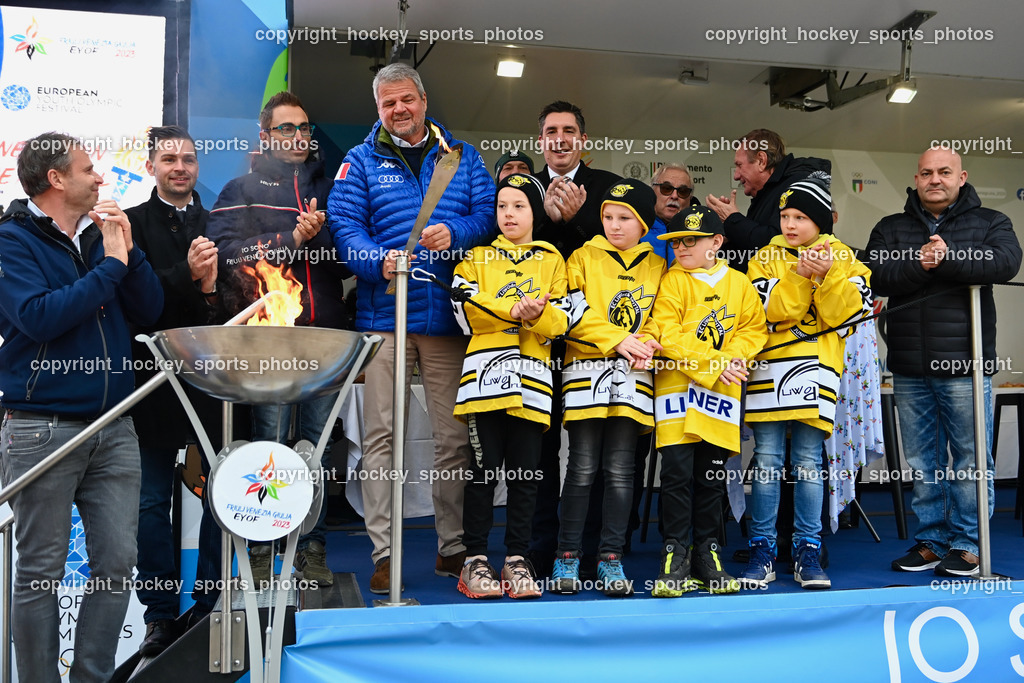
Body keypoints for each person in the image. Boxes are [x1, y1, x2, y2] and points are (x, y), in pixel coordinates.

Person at [0, 132, 162, 682]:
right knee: (40, 572)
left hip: (116, 426)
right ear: (56, 179)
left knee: (116, 565)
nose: (100, 179)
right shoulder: (11, 240)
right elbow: (39, 317)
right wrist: (111, 268)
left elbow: (150, 310)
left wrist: (129, 251)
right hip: (42, 426)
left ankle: (90, 680)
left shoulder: (102, 238)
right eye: (89, 169)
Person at [328, 63, 495, 593]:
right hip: (384, 319)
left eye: (406, 100)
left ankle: (452, 547)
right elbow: (344, 226)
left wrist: (460, 231)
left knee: (452, 439)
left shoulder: (462, 157)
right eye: (387, 104)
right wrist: (377, 262)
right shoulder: (358, 161)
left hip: (446, 319)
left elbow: (491, 214)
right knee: (381, 437)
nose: (398, 110)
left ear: (423, 99)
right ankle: (383, 551)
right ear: (377, 110)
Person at [206, 91, 352, 588]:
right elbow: (224, 256)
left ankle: (312, 549)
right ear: (266, 135)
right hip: (268, 344)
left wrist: (322, 236)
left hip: (324, 341)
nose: (297, 136)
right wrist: (289, 239)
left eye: (303, 127)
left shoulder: (333, 189)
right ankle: (265, 550)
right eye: (285, 128)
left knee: (316, 449)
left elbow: (353, 257)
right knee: (269, 447)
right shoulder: (239, 187)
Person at [866, 146, 1021, 577]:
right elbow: (874, 273)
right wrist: (920, 262)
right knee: (922, 461)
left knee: (971, 458)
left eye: (944, 172)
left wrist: (948, 258)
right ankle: (933, 540)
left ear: (962, 176)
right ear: (916, 178)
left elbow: (1006, 262)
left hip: (965, 366)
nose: (935, 179)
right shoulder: (891, 227)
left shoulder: (992, 222)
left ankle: (969, 545)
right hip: (909, 366)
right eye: (926, 173)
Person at [739, 178, 872, 590]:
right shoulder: (763, 257)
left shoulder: (846, 257)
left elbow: (847, 317)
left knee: (810, 462)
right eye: (784, 216)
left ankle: (807, 549)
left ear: (820, 220)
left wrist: (829, 276)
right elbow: (769, 312)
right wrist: (799, 277)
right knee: (767, 459)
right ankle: (762, 548)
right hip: (770, 370)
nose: (790, 224)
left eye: (800, 216)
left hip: (818, 370)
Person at [126, 125, 225, 655]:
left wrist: (210, 291)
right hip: (151, 385)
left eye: (188, 157)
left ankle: (208, 606)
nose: (180, 166)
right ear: (151, 166)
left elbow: (234, 303)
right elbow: (134, 298)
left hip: (212, 384)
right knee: (149, 502)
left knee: (220, 498)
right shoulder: (131, 224)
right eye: (169, 158)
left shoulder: (220, 223)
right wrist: (187, 275)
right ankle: (159, 614)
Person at [451, 173, 568, 599]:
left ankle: (517, 559)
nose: (509, 214)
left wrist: (539, 317)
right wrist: (514, 308)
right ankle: (475, 560)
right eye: (502, 206)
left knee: (526, 476)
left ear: (534, 211)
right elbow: (464, 307)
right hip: (484, 384)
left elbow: (565, 321)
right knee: (482, 474)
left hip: (533, 388)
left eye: (519, 205)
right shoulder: (477, 257)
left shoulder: (554, 260)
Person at [551, 182, 664, 597]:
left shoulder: (657, 265)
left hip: (635, 377)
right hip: (585, 371)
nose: (615, 225)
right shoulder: (582, 256)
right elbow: (569, 309)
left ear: (644, 224)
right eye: (608, 217)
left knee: (621, 471)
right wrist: (617, 339)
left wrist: (649, 340)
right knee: (581, 468)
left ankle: (611, 558)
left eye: (625, 218)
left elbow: (661, 315)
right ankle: (568, 557)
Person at [649, 206, 767, 597]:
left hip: (720, 394)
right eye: (677, 241)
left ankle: (708, 553)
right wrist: (718, 363)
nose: (681, 247)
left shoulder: (741, 283)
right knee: (676, 476)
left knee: (712, 477)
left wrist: (734, 359)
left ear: (716, 242)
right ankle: (675, 553)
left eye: (691, 240)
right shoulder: (671, 281)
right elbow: (667, 333)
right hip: (676, 394)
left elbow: (753, 331)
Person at [528, 101, 623, 576]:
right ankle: (542, 549)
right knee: (542, 449)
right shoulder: (522, 188)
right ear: (540, 139)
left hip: (596, 347)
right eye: (551, 131)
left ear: (583, 140)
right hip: (539, 344)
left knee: (596, 453)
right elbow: (510, 242)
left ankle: (591, 551)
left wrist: (581, 220)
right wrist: (547, 218)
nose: (560, 138)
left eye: (569, 131)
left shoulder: (609, 188)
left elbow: (622, 246)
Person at [704, 129, 830, 271]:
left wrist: (733, 219)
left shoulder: (797, 187)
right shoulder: (765, 194)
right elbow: (750, 249)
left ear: (762, 161)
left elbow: (779, 244)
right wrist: (728, 232)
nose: (736, 176)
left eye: (739, 165)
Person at [642, 163, 700, 262]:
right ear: (652, 191)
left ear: (690, 198)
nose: (674, 196)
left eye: (683, 191)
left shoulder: (701, 236)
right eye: (666, 188)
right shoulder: (635, 228)